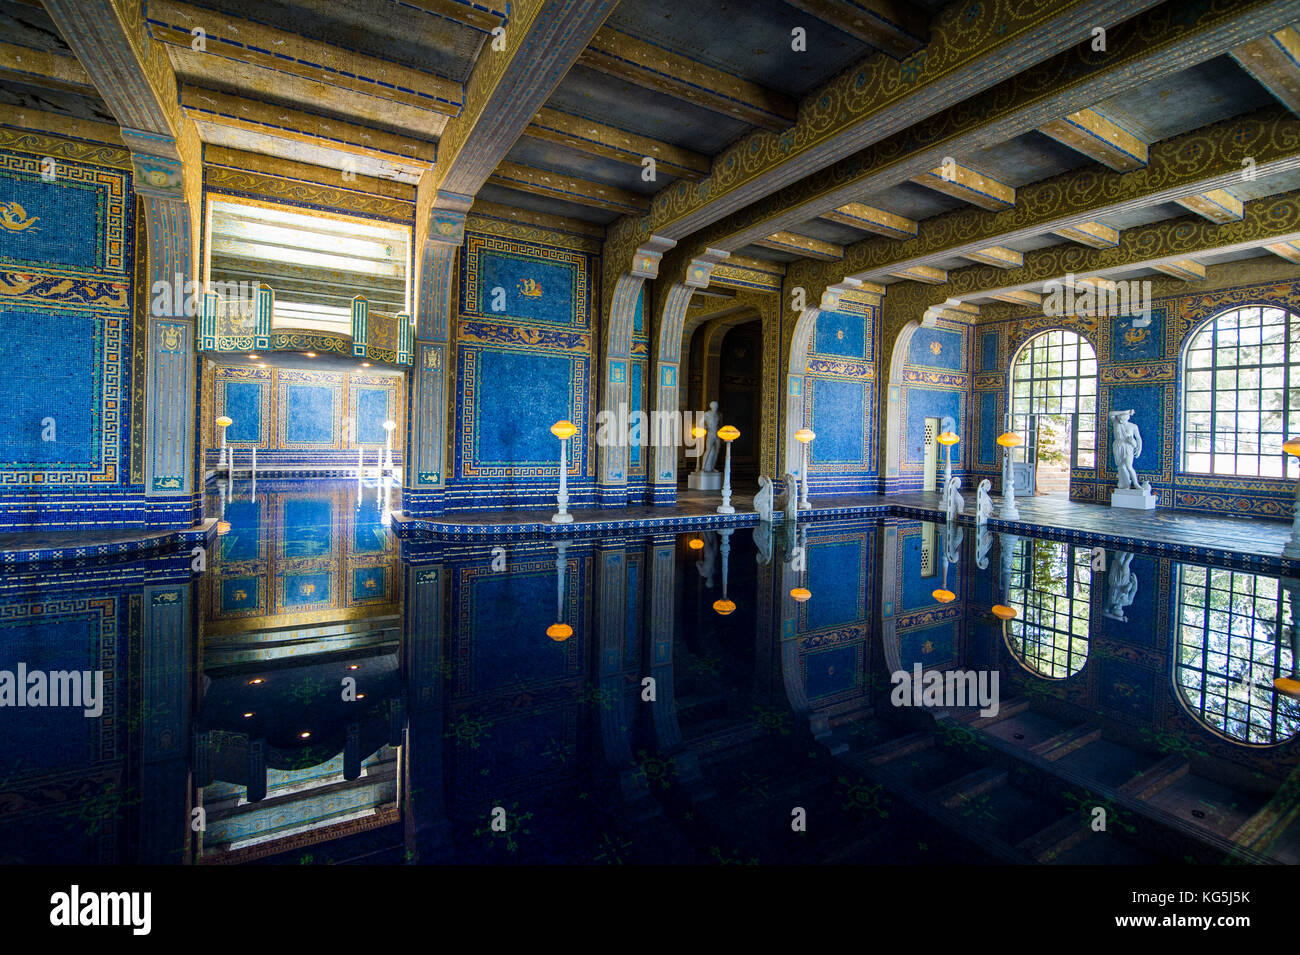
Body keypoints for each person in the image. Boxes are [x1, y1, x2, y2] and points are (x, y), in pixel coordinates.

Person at [1110, 409, 1142, 490]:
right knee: (1121, 466)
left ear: (1127, 418)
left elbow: (1138, 438)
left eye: (1123, 419)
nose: (1121, 420)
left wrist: (1139, 448)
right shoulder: (1116, 423)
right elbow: (1111, 413)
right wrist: (1126, 411)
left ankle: (1136, 484)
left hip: (1128, 446)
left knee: (1129, 466)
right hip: (1118, 445)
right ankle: (1125, 484)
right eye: (1120, 418)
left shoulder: (1133, 426)